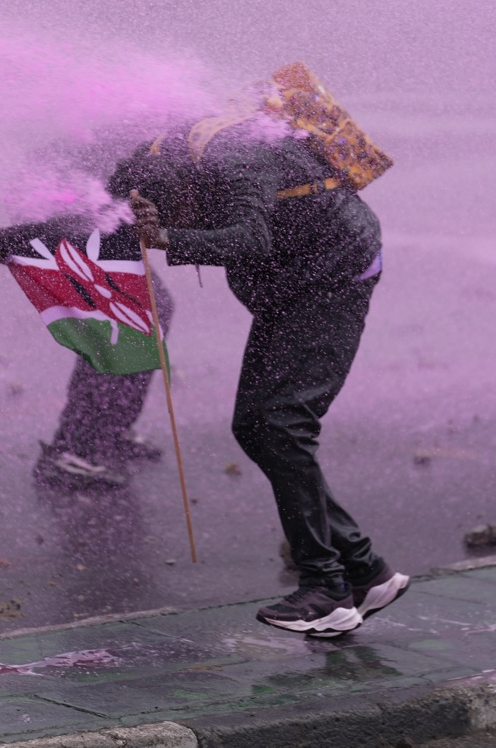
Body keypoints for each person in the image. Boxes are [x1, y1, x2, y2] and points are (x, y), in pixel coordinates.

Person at [118, 70, 408, 637]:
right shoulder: (158, 159)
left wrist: (168, 239)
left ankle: (326, 589)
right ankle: (365, 570)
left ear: (187, 186)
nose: (168, 217)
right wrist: (15, 240)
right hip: (289, 286)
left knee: (279, 424)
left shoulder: (235, 163)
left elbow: (251, 239)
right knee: (257, 427)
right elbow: (105, 211)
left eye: (169, 210)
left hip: (331, 280)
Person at [0, 213, 173, 491]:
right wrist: (18, 237)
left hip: (108, 228)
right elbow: (82, 207)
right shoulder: (109, 176)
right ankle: (70, 449)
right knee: (121, 330)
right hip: (93, 229)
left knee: (150, 315)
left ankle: (107, 430)